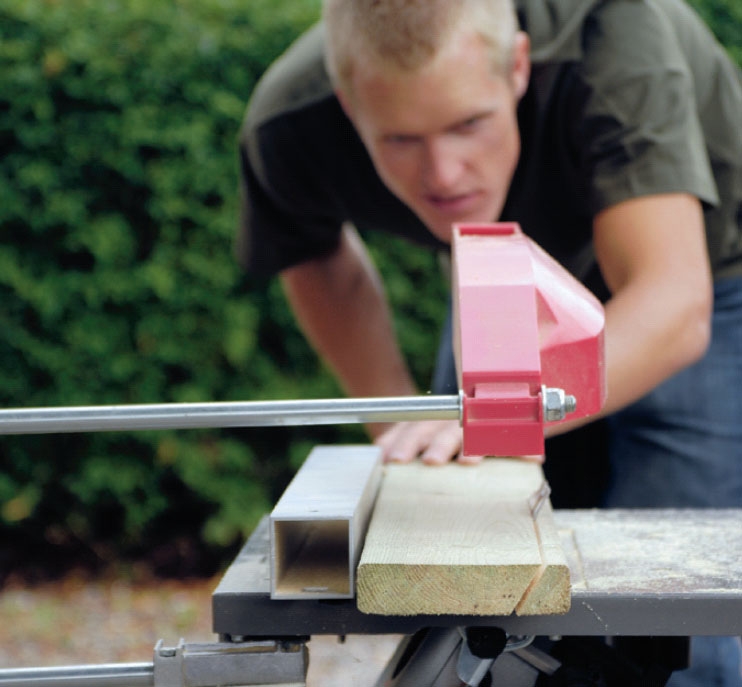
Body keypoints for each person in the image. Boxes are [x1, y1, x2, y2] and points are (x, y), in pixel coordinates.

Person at [236, 0, 742, 684]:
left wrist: (498, 418)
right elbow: (314, 255)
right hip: (500, 275)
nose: (444, 173)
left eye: (468, 124)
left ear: (518, 67)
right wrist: (400, 422)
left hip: (690, 278)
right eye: (401, 139)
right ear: (350, 106)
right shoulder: (288, 118)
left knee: (671, 610)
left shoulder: (615, 42)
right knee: (474, 579)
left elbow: (674, 305)